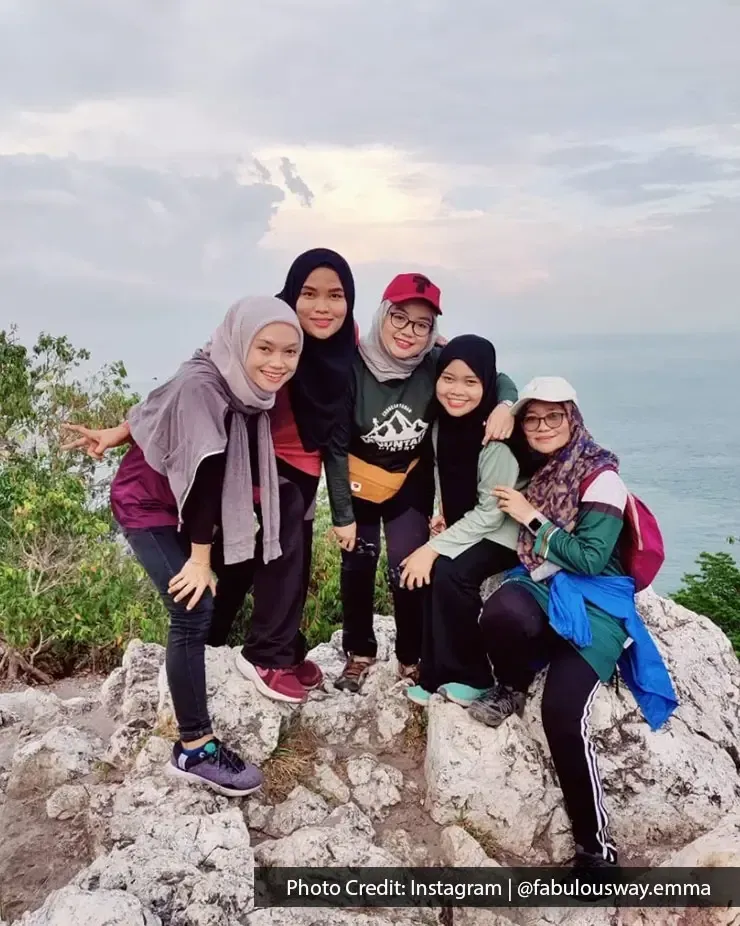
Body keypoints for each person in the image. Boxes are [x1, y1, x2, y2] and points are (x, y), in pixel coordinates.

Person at [62, 248, 358, 705]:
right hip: (235, 463)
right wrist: (124, 430)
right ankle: (258, 655)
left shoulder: (330, 342)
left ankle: (252, 647)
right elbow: (187, 397)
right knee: (249, 553)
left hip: (275, 463)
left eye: (336, 295)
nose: (323, 306)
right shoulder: (255, 336)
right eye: (309, 294)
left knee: (276, 554)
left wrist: (437, 353)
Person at [469, 376, 678, 868]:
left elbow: (588, 558)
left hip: (597, 601)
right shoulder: (543, 471)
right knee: (499, 612)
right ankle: (513, 685)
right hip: (546, 585)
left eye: (553, 416)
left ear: (573, 419)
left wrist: (530, 517)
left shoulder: (599, 477)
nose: (542, 427)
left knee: (562, 716)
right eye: (532, 418)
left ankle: (595, 849)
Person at [105, 296, 303, 797]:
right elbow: (203, 475)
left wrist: (120, 429)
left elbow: (159, 398)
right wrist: (198, 560)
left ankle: (200, 674)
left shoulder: (225, 367)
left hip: (182, 500)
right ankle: (194, 747)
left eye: (289, 351)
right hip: (149, 504)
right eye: (265, 348)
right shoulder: (204, 384)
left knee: (218, 587)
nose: (277, 363)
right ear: (241, 342)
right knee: (193, 605)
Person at [324, 274, 519, 692]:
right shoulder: (351, 367)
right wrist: (342, 513)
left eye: (421, 324)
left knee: (407, 565)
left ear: (432, 332)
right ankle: (359, 653)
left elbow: (490, 375)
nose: (408, 332)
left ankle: (411, 657)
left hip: (408, 478)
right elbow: (335, 446)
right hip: (358, 477)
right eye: (399, 317)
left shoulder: (435, 362)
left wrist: (506, 404)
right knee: (359, 559)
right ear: (381, 314)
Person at [398, 335, 539, 707]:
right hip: (474, 521)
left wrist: (433, 547)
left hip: (508, 531)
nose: (456, 391)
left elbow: (492, 512)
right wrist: (444, 513)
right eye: (448, 378)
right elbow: (448, 471)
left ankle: (473, 676)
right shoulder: (443, 423)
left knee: (449, 572)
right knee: (429, 573)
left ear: (487, 384)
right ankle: (434, 676)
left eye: (471, 382)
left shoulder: (496, 437)